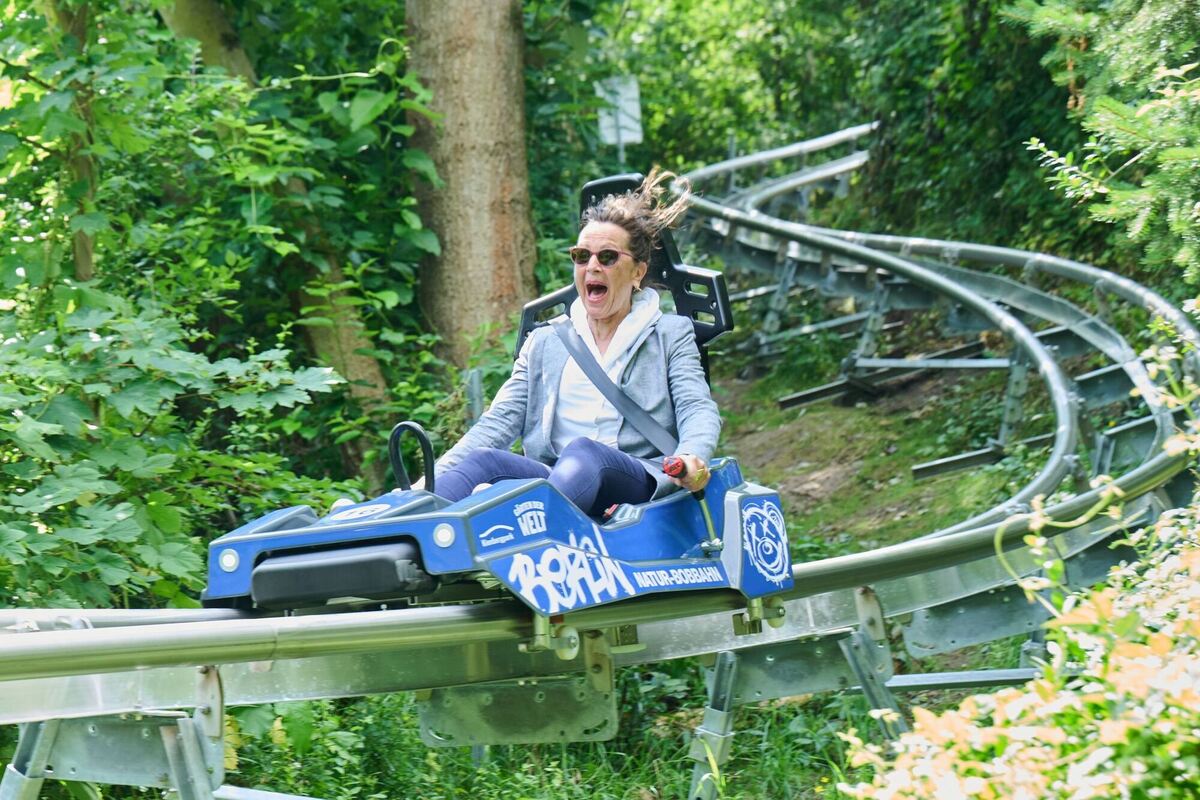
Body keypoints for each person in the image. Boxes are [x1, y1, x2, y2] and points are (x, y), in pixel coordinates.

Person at [432, 169, 720, 516]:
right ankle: (395, 518)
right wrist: (426, 482)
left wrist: (693, 456)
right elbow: (497, 423)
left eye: (608, 257)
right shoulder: (545, 342)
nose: (592, 266)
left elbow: (697, 407)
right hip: (559, 480)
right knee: (483, 463)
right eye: (582, 256)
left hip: (633, 477)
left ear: (638, 272)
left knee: (584, 453)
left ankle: (529, 527)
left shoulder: (670, 334)